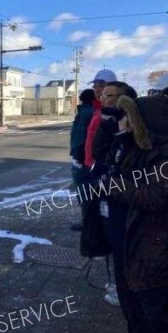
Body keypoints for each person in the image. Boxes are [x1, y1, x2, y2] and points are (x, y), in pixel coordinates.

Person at [107, 94, 168, 333]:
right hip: (134, 252)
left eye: (132, 118)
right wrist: (120, 138)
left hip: (157, 260)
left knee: (162, 331)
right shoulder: (138, 150)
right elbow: (111, 164)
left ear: (149, 123)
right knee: (138, 323)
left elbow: (155, 196)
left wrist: (115, 187)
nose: (127, 123)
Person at [89, 81, 137, 308]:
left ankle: (126, 290)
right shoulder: (106, 119)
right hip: (108, 190)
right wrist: (106, 127)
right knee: (112, 239)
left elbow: (125, 160)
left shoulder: (134, 124)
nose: (104, 98)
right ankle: (120, 286)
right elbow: (99, 152)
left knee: (123, 244)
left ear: (124, 98)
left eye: (110, 95)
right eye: (103, 94)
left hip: (124, 197)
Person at [69, 89, 95, 231]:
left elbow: (80, 136)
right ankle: (93, 221)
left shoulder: (85, 113)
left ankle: (88, 222)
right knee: (91, 190)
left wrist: (77, 156)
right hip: (91, 158)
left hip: (84, 159)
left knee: (84, 191)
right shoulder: (94, 111)